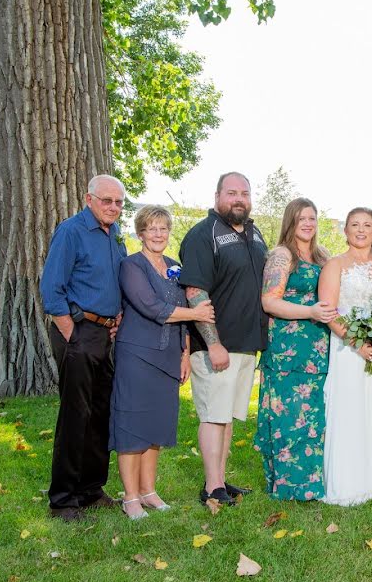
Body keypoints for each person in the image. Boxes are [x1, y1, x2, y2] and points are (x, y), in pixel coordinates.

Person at [110, 205, 216, 520]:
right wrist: (197, 314)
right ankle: (130, 496)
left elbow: (180, 315)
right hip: (137, 355)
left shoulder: (174, 267)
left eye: (163, 228)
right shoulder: (131, 266)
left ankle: (149, 491)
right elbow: (150, 306)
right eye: (152, 228)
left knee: (155, 426)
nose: (158, 234)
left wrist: (184, 354)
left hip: (169, 356)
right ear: (140, 233)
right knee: (132, 426)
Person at [40, 174, 127, 522]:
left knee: (100, 414)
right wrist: (72, 335)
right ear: (89, 199)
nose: (113, 207)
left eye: (119, 202)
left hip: (105, 335)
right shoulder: (72, 231)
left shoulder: (115, 235)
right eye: (107, 200)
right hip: (78, 330)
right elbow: (52, 290)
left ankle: (91, 489)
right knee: (76, 416)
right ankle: (62, 499)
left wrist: (116, 317)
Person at [178, 172, 268, 507]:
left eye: (244, 192)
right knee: (213, 416)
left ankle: (220, 480)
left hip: (246, 344)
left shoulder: (254, 234)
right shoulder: (204, 234)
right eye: (231, 193)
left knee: (226, 416)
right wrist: (213, 343)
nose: (239, 199)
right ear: (217, 196)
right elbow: (195, 290)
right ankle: (211, 487)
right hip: (217, 346)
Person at [318, 207, 372, 505]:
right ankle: (348, 484)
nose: (361, 230)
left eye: (367, 225)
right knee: (350, 410)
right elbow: (328, 312)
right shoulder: (335, 265)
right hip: (348, 350)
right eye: (354, 224)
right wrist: (359, 344)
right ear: (345, 230)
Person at [254, 198, 337, 500]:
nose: (307, 223)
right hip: (288, 346)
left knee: (313, 414)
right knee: (288, 414)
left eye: (312, 218)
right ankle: (288, 485)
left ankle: (313, 482)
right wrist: (311, 312)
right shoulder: (281, 255)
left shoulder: (323, 255)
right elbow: (269, 301)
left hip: (317, 345)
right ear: (290, 221)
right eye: (301, 218)